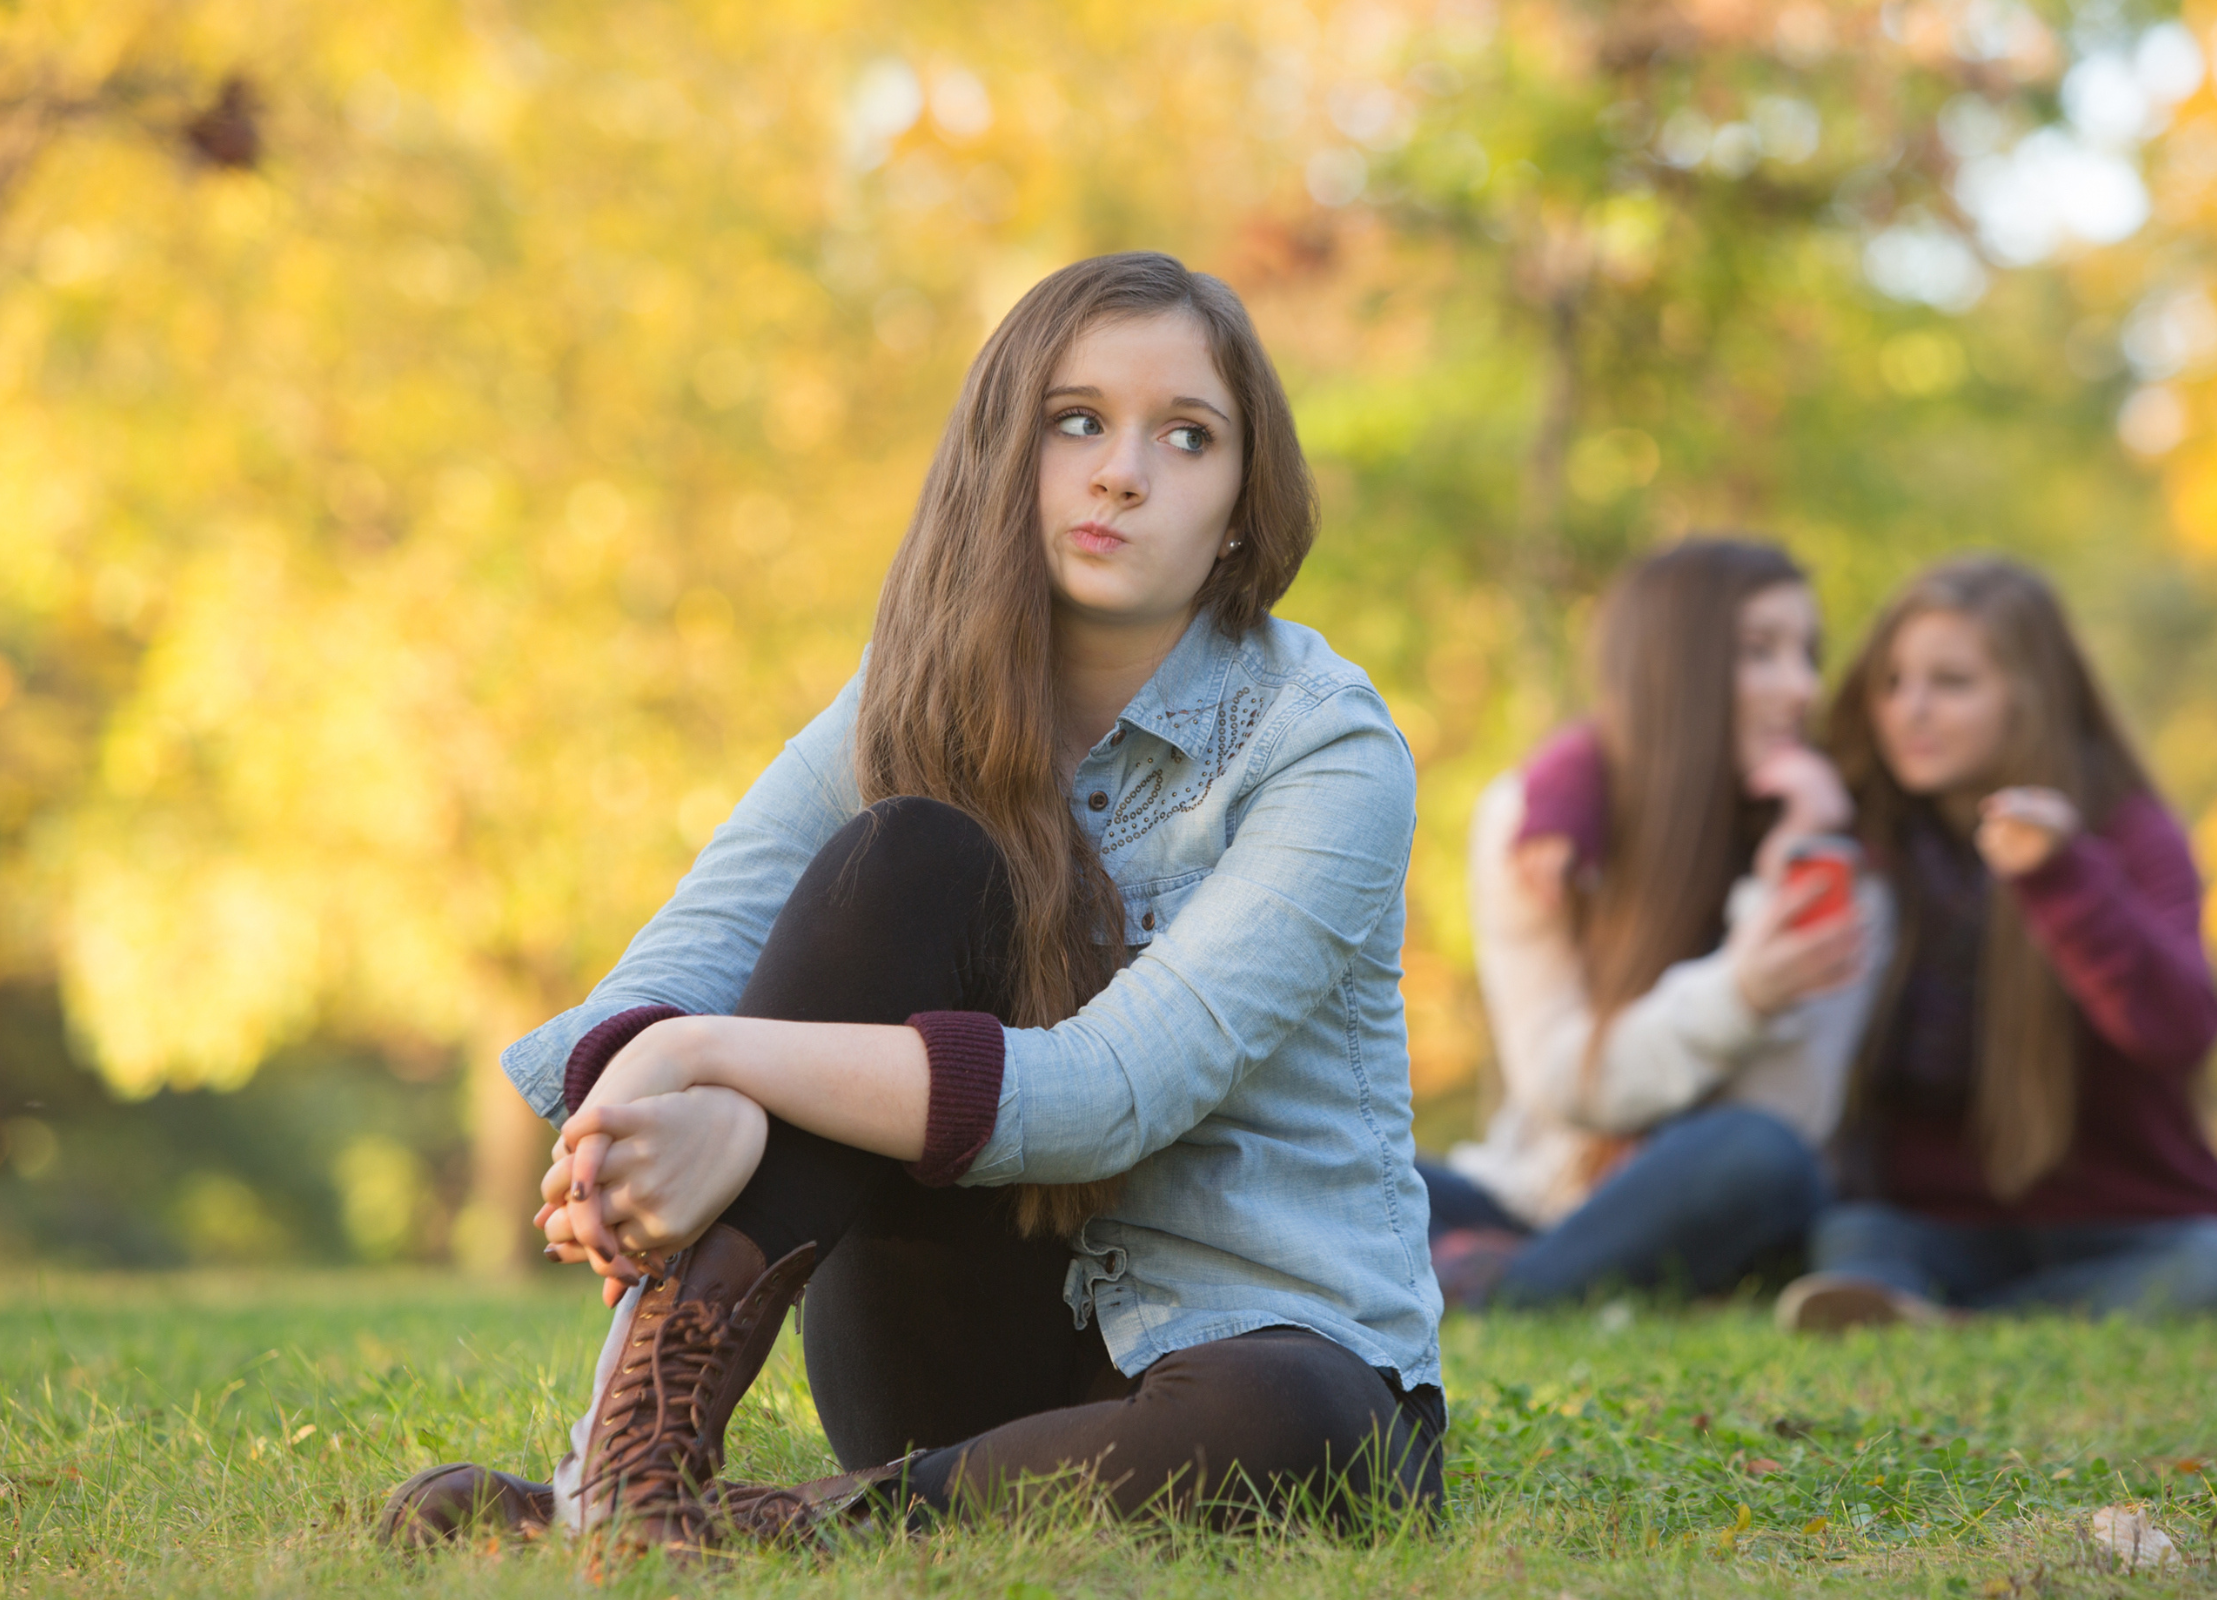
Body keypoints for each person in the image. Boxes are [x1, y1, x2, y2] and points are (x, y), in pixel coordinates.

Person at [375, 253, 1443, 1552]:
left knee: (1301, 1428)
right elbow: (683, 960)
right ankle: (632, 1471)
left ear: (1237, 508)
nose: (1123, 471)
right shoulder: (911, 695)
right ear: (1009, 453)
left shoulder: (1323, 749)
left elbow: (1117, 1094)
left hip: (1256, 1357)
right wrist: (654, 1116)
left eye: (1188, 436)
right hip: (950, 1340)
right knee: (910, 858)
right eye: (1078, 421)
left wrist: (713, 1062)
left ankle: (798, 1526)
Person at [1775, 557, 2217, 1330]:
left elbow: (2178, 1030)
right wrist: (1562, 806)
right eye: (1893, 682)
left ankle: (1962, 1327)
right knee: (1853, 1235)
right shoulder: (1867, 838)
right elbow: (1674, 759)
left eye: (1952, 683)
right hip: (1935, 1226)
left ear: (2030, 695)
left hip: (2126, 1220)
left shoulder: (2128, 835)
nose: (1911, 711)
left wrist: (2063, 877)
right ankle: (1934, 1310)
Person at [1416, 539, 1886, 1310]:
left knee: (1756, 1154)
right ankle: (1542, 1270)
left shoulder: (1839, 872)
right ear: (1675, 669)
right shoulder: (1534, 827)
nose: (1803, 687)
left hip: (1709, 1204)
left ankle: (1503, 1294)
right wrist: (1738, 993)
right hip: (1537, 1202)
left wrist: (1777, 897)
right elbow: (1559, 1080)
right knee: (1328, 1159)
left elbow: (1783, 1119)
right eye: (1761, 653)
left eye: (1808, 654)